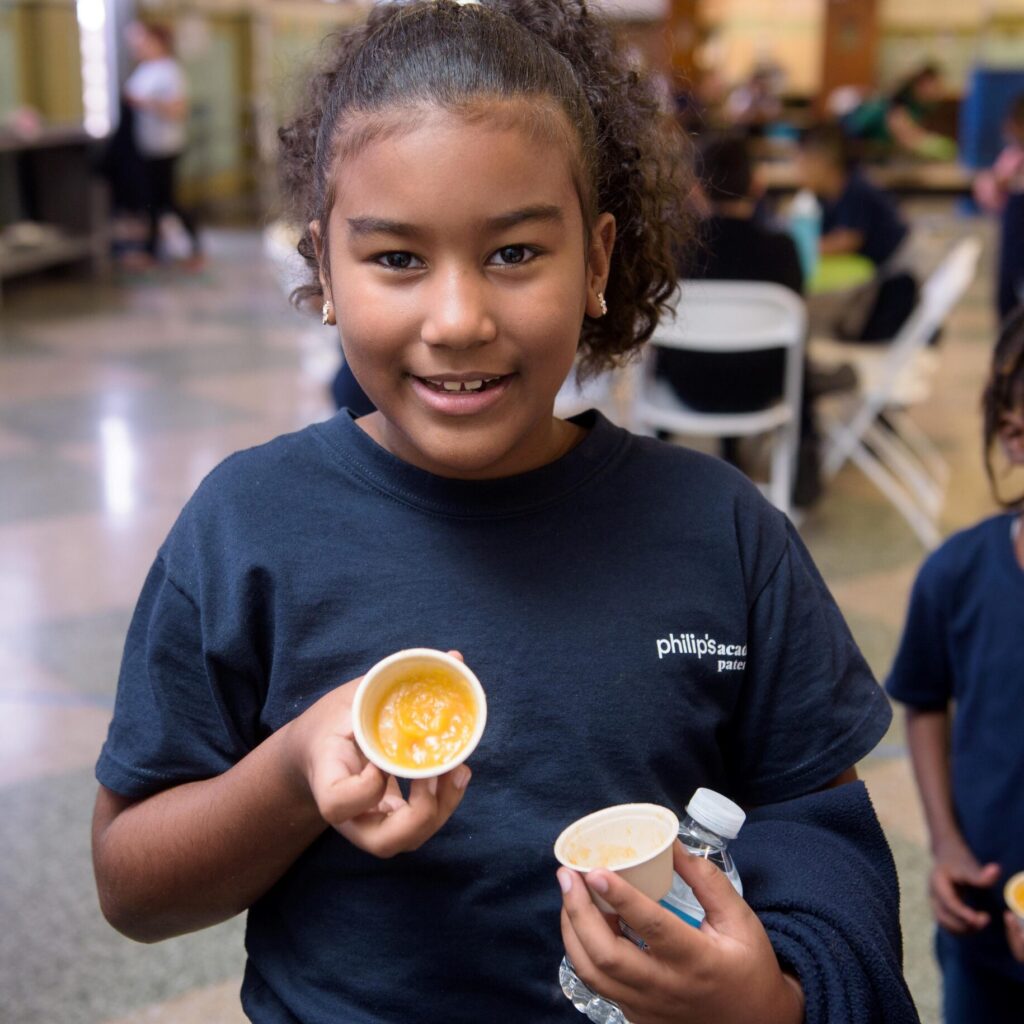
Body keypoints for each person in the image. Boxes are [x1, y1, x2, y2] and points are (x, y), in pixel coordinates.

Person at [92, 3, 904, 1022]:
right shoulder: (247, 524)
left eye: (515, 253)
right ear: (326, 269)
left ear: (598, 261)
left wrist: (774, 998)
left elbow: (816, 817)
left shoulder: (721, 530)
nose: (457, 320)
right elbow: (132, 882)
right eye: (395, 258)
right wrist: (294, 773)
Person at [886, 309, 1024, 1023]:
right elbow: (926, 701)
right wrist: (943, 843)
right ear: (1013, 436)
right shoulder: (957, 575)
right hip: (979, 919)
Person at [123, 21, 202, 267]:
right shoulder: (144, 70)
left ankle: (194, 246)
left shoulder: (170, 72)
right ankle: (151, 250)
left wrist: (147, 103)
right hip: (145, 145)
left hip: (165, 146)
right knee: (153, 201)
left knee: (167, 201)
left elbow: (178, 111)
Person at [973, 95, 1024, 319]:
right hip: (1013, 244)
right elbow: (989, 195)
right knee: (1008, 297)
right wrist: (996, 182)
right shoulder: (1012, 157)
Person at [843, 63, 955, 160]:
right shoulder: (897, 107)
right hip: (852, 150)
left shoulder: (919, 108)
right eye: (935, 86)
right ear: (921, 85)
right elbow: (911, 139)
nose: (939, 91)